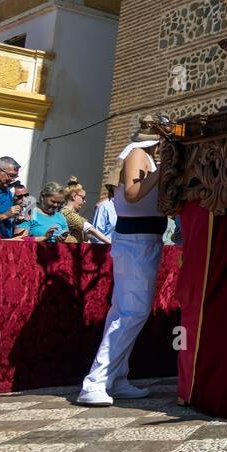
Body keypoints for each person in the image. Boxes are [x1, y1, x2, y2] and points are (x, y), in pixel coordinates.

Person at [77, 127, 167, 406]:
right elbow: (131, 193)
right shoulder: (138, 154)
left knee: (124, 309)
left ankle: (116, 378)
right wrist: (162, 173)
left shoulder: (145, 158)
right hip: (136, 241)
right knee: (132, 311)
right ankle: (95, 382)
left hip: (144, 239)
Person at [62, 178, 111, 244]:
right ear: (74, 196)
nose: (84, 201)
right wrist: (110, 242)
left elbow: (86, 239)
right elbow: (91, 229)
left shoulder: (72, 214)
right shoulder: (66, 213)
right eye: (83, 198)